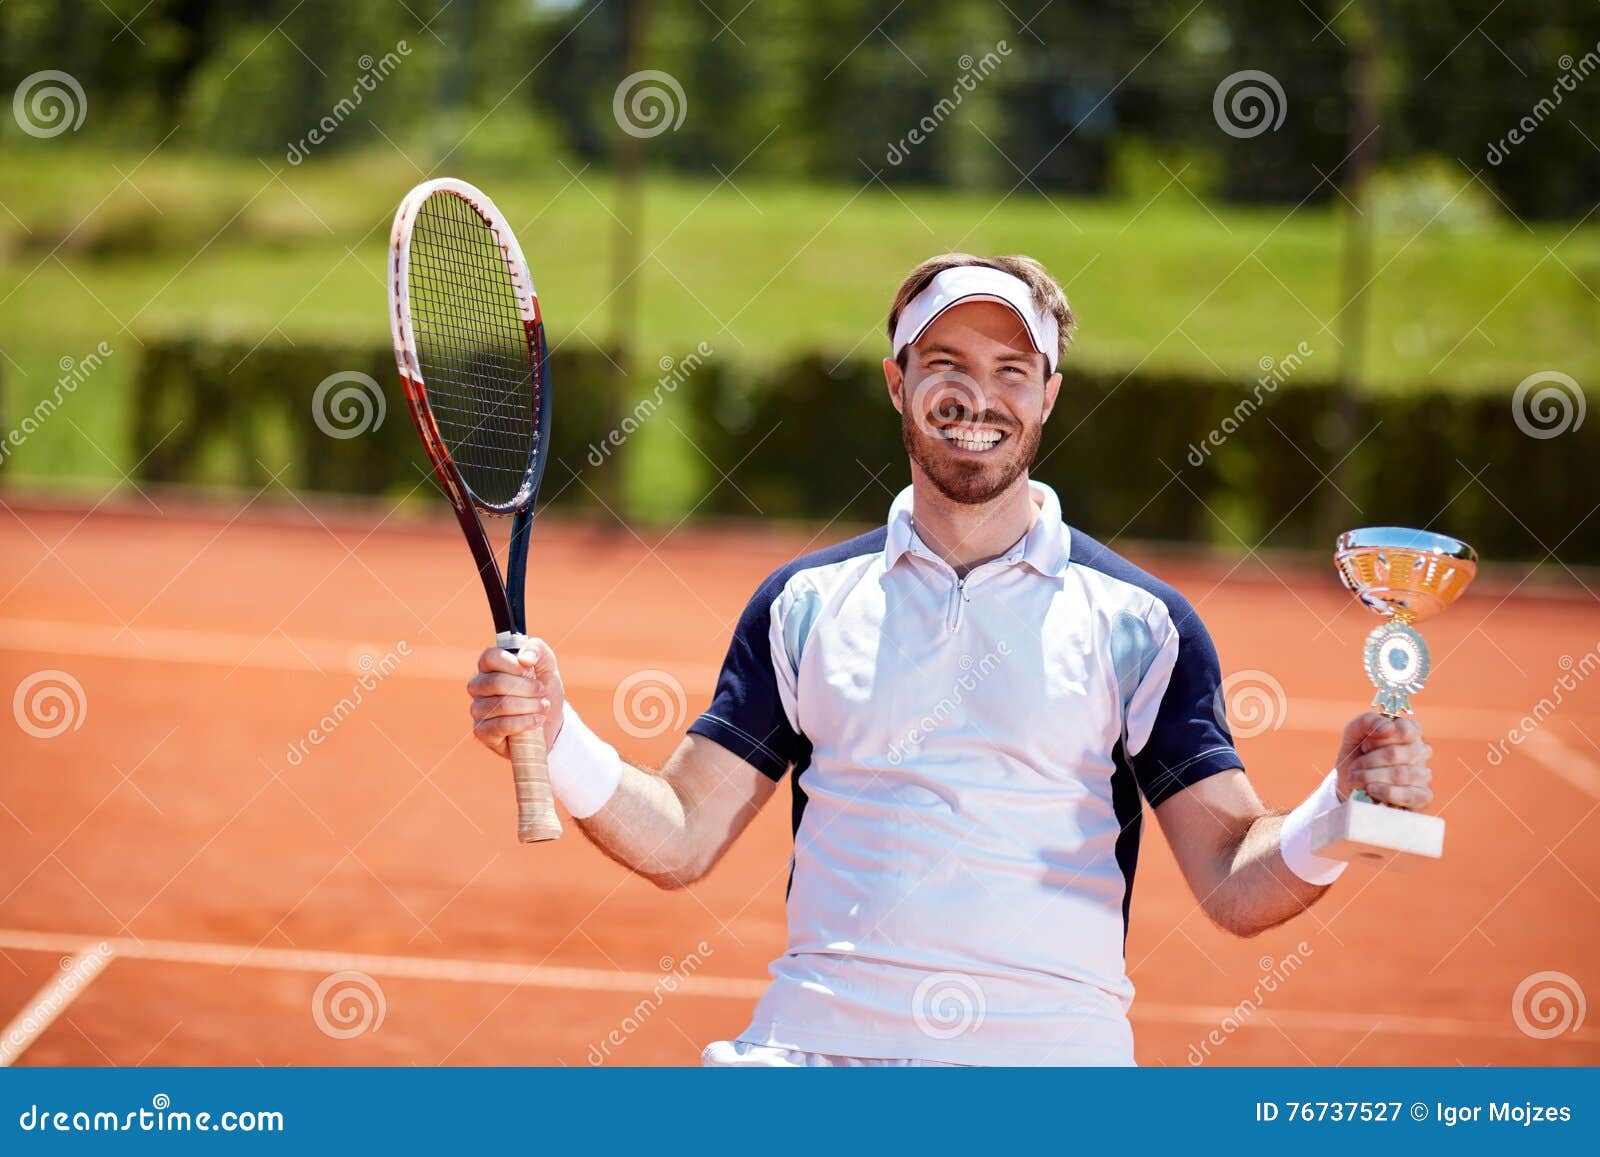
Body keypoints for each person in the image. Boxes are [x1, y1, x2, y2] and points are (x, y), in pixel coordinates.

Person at [465, 253, 1433, 1066]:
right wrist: (559, 734)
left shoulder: (1142, 621)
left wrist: (1339, 812)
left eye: (1015, 367)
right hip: (811, 1052)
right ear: (897, 379)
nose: (979, 394)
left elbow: (1228, 872)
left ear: (1051, 392)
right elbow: (679, 835)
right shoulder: (801, 605)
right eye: (946, 362)